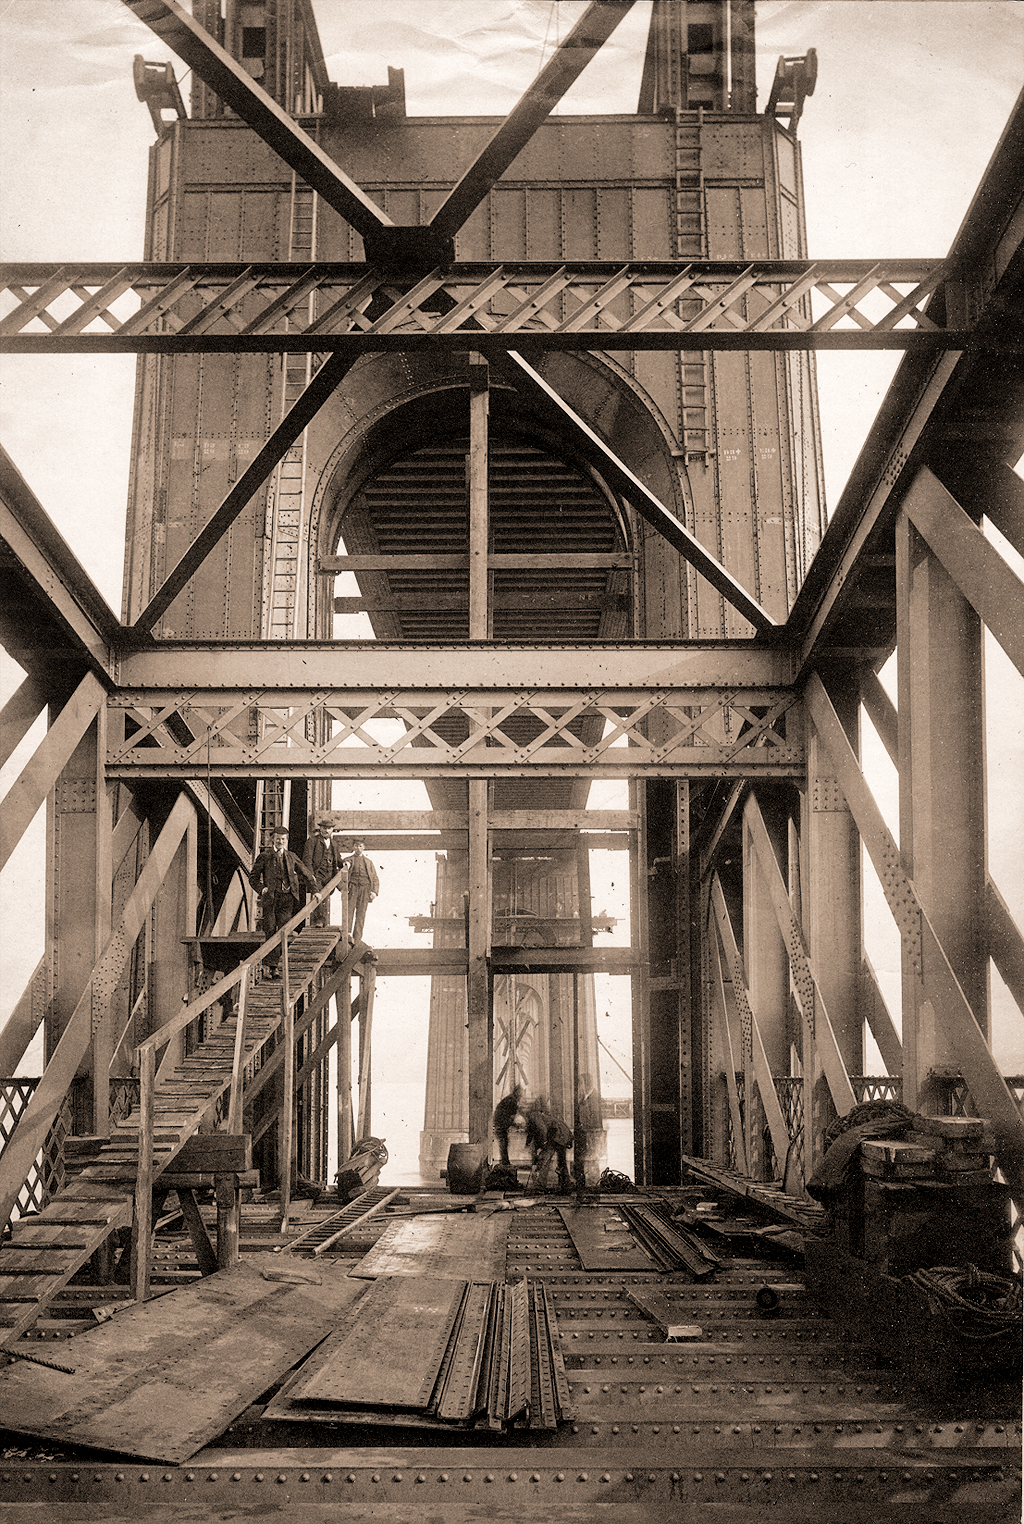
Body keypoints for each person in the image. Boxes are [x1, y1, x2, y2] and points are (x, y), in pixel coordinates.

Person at [249, 827, 317, 977]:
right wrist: (262, 889)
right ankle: (271, 968)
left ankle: (276, 966)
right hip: (271, 899)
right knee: (271, 929)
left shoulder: (291, 856)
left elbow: (306, 873)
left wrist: (315, 891)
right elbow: (252, 878)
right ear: (273, 839)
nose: (280, 841)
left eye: (283, 839)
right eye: (278, 839)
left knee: (283, 931)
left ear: (287, 840)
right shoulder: (264, 856)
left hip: (287, 899)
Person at [524, 1095, 573, 1193]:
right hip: (561, 1134)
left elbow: (543, 1130)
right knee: (561, 1161)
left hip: (558, 1135)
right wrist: (529, 1146)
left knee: (545, 1159)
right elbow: (532, 1137)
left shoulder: (534, 1116)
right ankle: (566, 1185)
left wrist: (544, 1144)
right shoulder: (534, 1119)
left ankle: (540, 1186)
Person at [302, 819, 344, 927]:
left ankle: (323, 922)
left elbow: (338, 859)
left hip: (330, 875)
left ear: (332, 830)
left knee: (325, 897)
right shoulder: (312, 841)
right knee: (318, 895)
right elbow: (307, 860)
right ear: (320, 828)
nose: (326, 830)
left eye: (329, 828)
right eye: (324, 828)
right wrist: (311, 875)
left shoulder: (334, 843)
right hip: (318, 874)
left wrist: (345, 863)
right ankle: (319, 921)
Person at [342, 839, 379, 942]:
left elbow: (375, 878)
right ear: (353, 847)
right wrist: (346, 864)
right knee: (349, 911)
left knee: (361, 913)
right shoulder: (348, 859)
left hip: (365, 889)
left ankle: (357, 938)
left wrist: (374, 892)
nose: (358, 848)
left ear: (364, 848)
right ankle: (347, 935)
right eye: (356, 846)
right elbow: (343, 868)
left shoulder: (368, 862)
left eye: (360, 846)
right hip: (353, 888)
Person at [492, 1084, 524, 1167]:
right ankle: (505, 1163)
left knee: (504, 1142)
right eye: (520, 1093)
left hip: (498, 1123)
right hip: (500, 1124)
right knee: (504, 1142)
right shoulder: (513, 1101)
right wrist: (517, 1126)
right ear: (517, 1092)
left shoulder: (510, 1099)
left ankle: (505, 1162)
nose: (521, 1095)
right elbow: (511, 1117)